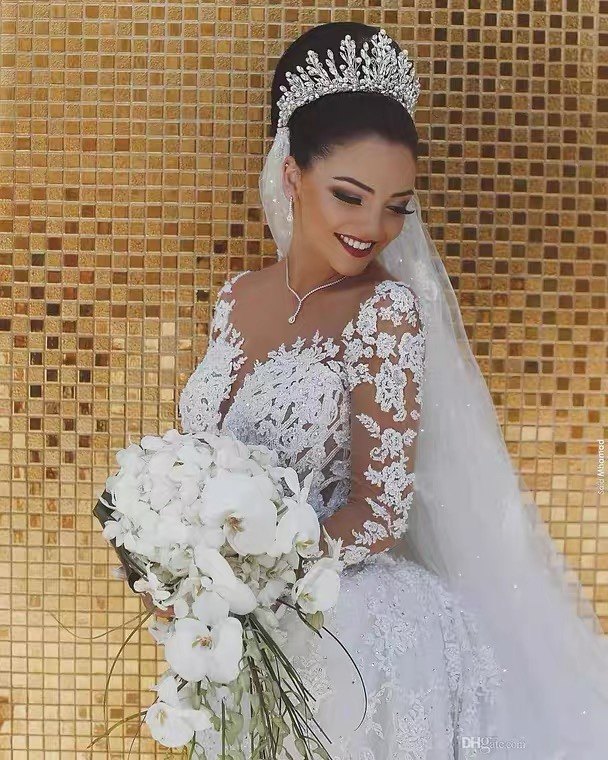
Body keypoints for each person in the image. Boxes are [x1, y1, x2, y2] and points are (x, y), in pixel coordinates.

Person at [156, 22, 608, 758]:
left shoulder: (386, 312)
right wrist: (175, 556)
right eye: (350, 195)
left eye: (397, 205)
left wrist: (259, 573)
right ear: (291, 174)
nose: (374, 228)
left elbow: (380, 510)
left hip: (349, 631)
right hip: (234, 630)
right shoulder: (235, 298)